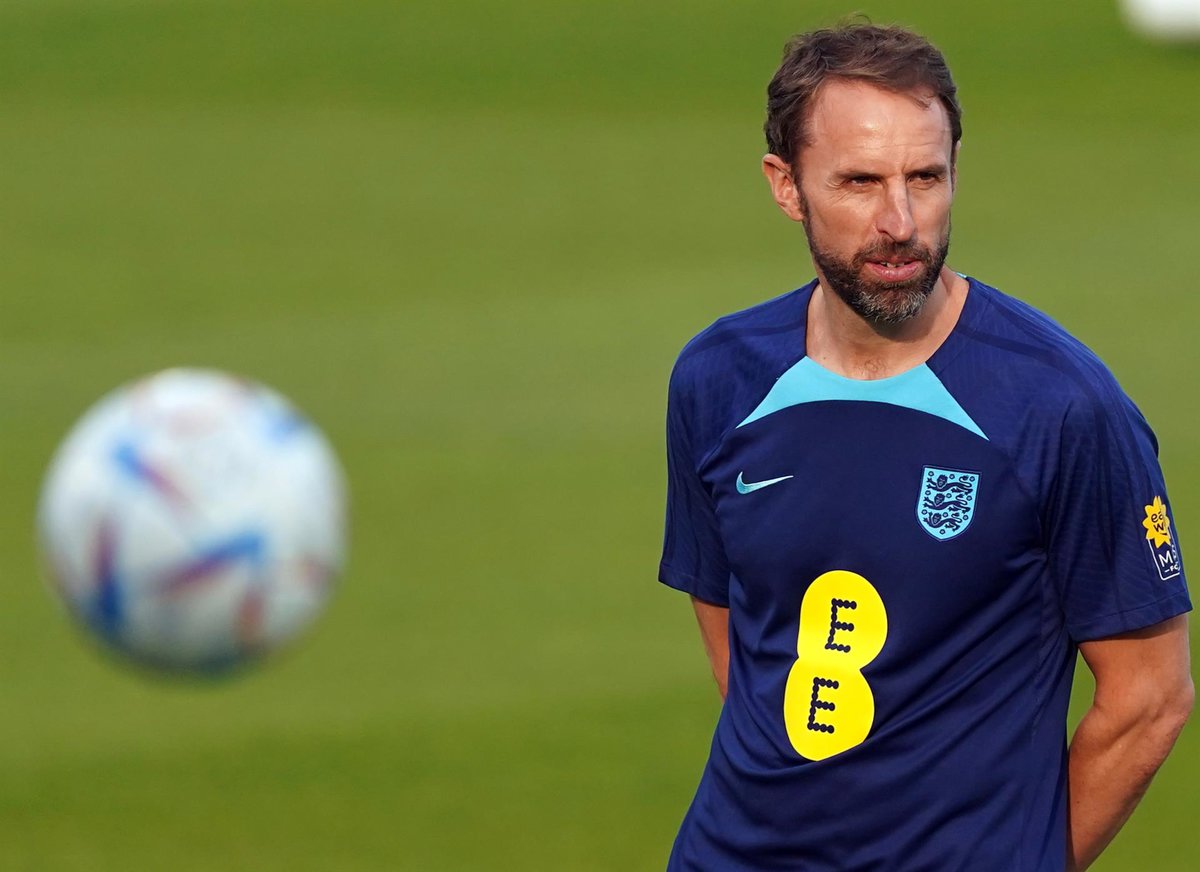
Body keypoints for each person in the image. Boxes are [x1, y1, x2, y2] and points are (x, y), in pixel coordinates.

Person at [657, 23, 1193, 872]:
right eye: (860, 182)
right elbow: (740, 644)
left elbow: (1149, 699)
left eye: (925, 178)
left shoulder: (1061, 405)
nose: (899, 222)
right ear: (786, 186)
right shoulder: (716, 377)